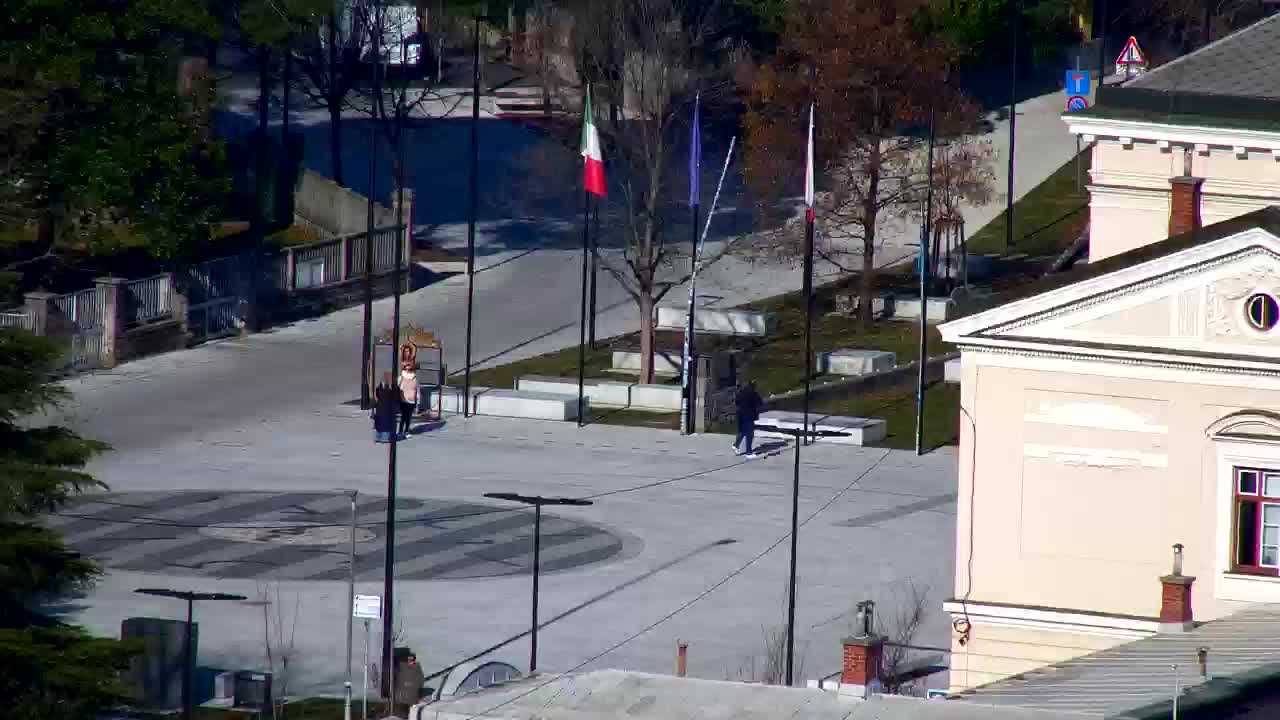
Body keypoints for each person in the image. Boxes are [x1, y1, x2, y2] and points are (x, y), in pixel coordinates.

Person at [733, 381, 764, 458]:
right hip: (749, 415)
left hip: (740, 415)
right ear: (754, 386)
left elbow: (736, 402)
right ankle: (748, 452)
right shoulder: (753, 394)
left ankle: (736, 445)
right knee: (750, 434)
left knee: (742, 431)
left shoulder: (741, 392)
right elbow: (760, 403)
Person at [395, 653, 426, 717]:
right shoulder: (403, 667)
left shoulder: (417, 667)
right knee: (403, 712)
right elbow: (399, 678)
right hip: (404, 696)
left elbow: (421, 679)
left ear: (414, 660)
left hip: (413, 695)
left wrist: (415, 686)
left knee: (412, 712)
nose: (410, 661)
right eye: (409, 660)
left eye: (412, 660)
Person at [373, 373, 398, 443]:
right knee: (386, 423)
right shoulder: (392, 388)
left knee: (380, 423)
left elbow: (377, 395)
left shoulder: (379, 387)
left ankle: (379, 437)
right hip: (387, 408)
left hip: (381, 407)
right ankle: (385, 437)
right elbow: (395, 397)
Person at [398, 360, 418, 438]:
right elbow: (398, 387)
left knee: (408, 417)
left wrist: (417, 400)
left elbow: (417, 389)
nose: (408, 370)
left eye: (410, 369)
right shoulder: (401, 377)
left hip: (411, 400)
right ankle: (400, 431)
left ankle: (406, 431)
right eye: (406, 369)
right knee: (404, 416)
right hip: (403, 399)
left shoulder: (415, 378)